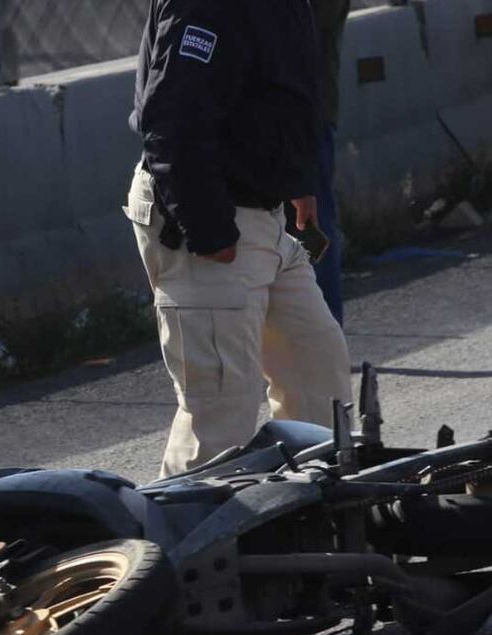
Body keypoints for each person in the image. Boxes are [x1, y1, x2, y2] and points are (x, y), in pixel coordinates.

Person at [127, 0, 353, 477]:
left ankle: (304, 530)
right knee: (221, 417)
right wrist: (210, 232)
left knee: (317, 374)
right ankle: (175, 548)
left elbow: (284, 91)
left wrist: (299, 180)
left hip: (265, 218)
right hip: (211, 219)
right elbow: (172, 121)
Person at [312, 0, 351, 325]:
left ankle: (328, 333)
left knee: (314, 223)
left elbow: (300, 32)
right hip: (280, 116)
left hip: (309, 114)